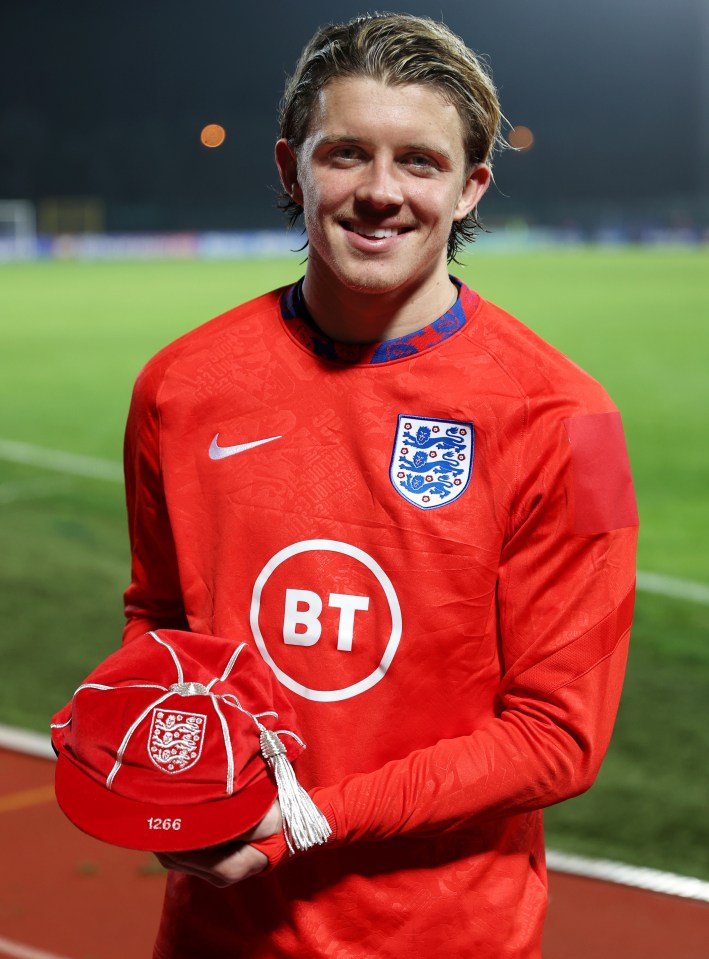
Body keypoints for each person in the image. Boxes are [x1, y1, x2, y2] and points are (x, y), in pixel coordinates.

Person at [122, 12, 638, 959]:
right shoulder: (177, 387)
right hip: (222, 934)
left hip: (448, 938)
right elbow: (162, 615)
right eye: (346, 154)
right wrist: (157, 752)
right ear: (290, 167)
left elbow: (559, 736)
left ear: (471, 185)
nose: (377, 192)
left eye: (419, 162)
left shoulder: (578, 424)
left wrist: (306, 820)